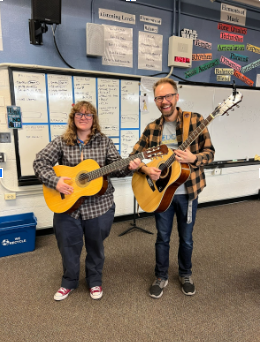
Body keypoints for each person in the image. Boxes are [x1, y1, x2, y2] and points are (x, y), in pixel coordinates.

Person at [33, 101, 141, 301]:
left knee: (95, 246)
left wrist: (130, 166)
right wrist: (55, 181)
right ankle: (68, 282)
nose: (83, 117)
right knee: (67, 246)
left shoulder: (104, 142)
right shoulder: (61, 142)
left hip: (99, 207)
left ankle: (94, 280)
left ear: (94, 119)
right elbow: (40, 162)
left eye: (88, 114)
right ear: (73, 118)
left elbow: (116, 168)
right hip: (67, 207)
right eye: (79, 114)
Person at [130, 78, 215, 298]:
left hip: (188, 192)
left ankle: (186, 274)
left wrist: (193, 156)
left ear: (177, 97)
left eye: (168, 96)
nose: (164, 101)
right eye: (159, 97)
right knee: (162, 237)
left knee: (186, 238)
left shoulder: (196, 121)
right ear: (156, 101)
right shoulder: (151, 129)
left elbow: (210, 153)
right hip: (160, 195)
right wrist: (147, 170)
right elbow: (134, 157)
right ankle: (161, 276)